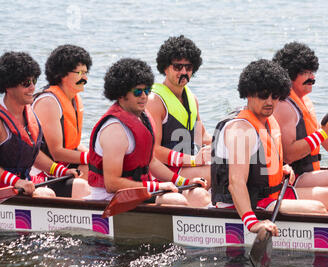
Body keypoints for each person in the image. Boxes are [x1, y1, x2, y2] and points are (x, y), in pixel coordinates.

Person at [211, 59, 328, 236]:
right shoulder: (240, 130)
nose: (270, 102)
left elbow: (263, 162)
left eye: (275, 96)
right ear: (248, 94)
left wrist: (280, 169)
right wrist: (253, 223)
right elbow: (236, 182)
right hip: (245, 204)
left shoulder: (269, 121)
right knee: (318, 208)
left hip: (268, 197)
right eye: (263, 95)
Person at [87, 57, 209, 207]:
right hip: (110, 198)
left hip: (141, 190)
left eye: (146, 90)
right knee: (177, 201)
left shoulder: (144, 118)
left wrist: (184, 182)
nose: (144, 96)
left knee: (199, 196)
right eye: (138, 92)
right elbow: (112, 184)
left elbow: (152, 162)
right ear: (121, 94)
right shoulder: (115, 130)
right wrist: (157, 187)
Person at [272, 42, 328, 200]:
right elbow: (289, 155)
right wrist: (323, 133)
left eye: (312, 72)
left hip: (309, 173)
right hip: (292, 178)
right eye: (306, 73)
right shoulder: (284, 106)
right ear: (289, 74)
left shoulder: (304, 101)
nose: (312, 78)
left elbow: (323, 139)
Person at [0, 51, 81, 197]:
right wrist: (16, 181)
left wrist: (61, 171)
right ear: (8, 86)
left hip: (24, 186)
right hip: (6, 190)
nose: (32, 88)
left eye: (34, 81)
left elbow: (34, 155)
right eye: (26, 83)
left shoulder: (31, 116)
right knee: (46, 194)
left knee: (80, 187)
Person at [146, 35, 212, 187]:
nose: (183, 72)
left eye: (188, 67)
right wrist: (194, 160)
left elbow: (201, 137)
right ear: (165, 68)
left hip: (186, 166)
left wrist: (228, 145)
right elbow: (153, 151)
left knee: (233, 166)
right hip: (161, 173)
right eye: (177, 67)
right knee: (216, 172)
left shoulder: (192, 99)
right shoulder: (154, 101)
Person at [32, 45, 91, 182]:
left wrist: (96, 156)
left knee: (103, 168)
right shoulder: (48, 102)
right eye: (80, 73)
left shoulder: (75, 99)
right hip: (43, 172)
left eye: (85, 73)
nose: (85, 78)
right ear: (62, 74)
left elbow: (72, 146)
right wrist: (92, 158)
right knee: (92, 168)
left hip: (64, 165)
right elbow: (57, 152)